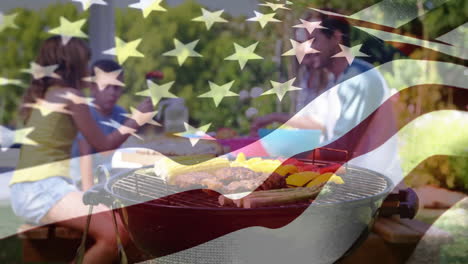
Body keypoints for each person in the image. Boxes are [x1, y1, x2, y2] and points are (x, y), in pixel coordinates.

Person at [9, 36, 153, 263]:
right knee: (117, 234)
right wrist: (137, 119)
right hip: (40, 189)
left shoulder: (48, 93)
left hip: (31, 188)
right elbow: (104, 147)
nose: (89, 68)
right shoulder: (71, 97)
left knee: (119, 224)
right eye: (85, 63)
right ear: (72, 66)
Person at [70, 59, 127, 191]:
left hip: (106, 176)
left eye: (117, 87)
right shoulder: (85, 113)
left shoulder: (121, 114)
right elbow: (86, 156)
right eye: (106, 86)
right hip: (79, 180)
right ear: (93, 87)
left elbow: (116, 154)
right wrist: (89, 192)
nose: (112, 92)